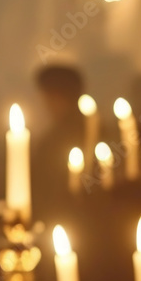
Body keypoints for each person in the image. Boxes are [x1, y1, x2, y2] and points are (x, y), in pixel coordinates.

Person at [30, 64, 85, 225]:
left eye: (46, 96)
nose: (44, 104)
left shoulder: (54, 141)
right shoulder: (96, 130)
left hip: (64, 221)